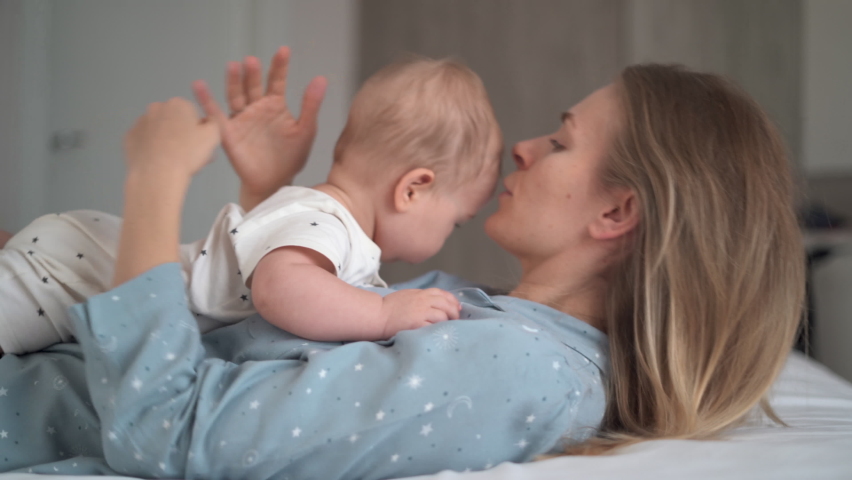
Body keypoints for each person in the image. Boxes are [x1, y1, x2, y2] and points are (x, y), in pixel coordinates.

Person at [0, 54, 804, 479]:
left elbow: (166, 431)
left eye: (560, 141)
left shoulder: (517, 368)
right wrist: (271, 203)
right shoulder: (489, 316)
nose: (525, 148)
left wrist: (155, 181)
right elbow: (257, 347)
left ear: (617, 212)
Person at [0, 51, 501, 355]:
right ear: (412, 189)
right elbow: (279, 290)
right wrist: (384, 313)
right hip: (73, 281)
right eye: (456, 221)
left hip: (84, 261)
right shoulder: (331, 224)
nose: (448, 236)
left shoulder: (312, 215)